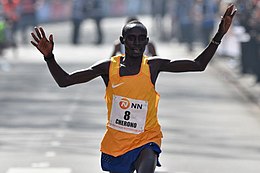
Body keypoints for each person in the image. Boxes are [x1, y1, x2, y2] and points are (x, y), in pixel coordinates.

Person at [30, 4, 236, 173]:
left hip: (147, 138)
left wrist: (218, 35)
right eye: (131, 38)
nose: (137, 43)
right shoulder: (108, 68)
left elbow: (198, 65)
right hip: (117, 144)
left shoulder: (153, 65)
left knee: (147, 164)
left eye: (141, 39)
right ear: (122, 41)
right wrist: (49, 57)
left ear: (147, 41)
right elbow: (64, 80)